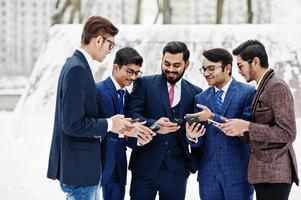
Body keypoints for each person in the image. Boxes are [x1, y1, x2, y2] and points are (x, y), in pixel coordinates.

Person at [47, 16, 135, 200]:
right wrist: (110, 124)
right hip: (80, 170)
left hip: (83, 169)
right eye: (110, 45)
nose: (110, 51)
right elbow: (72, 124)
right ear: (98, 40)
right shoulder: (77, 69)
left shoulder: (78, 65)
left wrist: (121, 125)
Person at [220, 39, 299, 200]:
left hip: (275, 175)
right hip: (265, 174)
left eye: (240, 65)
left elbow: (287, 133)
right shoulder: (263, 86)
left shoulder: (276, 87)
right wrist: (238, 129)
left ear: (255, 62)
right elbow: (262, 129)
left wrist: (247, 126)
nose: (239, 71)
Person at [126, 41, 203, 200]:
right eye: (166, 63)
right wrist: (154, 125)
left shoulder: (196, 93)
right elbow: (133, 114)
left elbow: (198, 133)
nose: (170, 69)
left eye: (176, 65)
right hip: (144, 168)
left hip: (177, 171)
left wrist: (192, 140)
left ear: (186, 64)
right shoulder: (144, 83)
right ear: (161, 60)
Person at [185, 48, 255, 200]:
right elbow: (199, 142)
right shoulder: (200, 98)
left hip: (238, 175)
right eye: (203, 69)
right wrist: (192, 137)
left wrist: (212, 117)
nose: (206, 73)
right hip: (208, 177)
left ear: (228, 68)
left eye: (211, 68)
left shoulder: (248, 93)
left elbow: (247, 132)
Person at [95, 47, 155, 200]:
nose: (133, 77)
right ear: (116, 68)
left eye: (137, 73)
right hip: (98, 161)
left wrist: (140, 140)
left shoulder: (128, 96)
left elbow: (128, 133)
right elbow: (92, 125)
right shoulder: (98, 90)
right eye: (130, 72)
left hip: (119, 163)